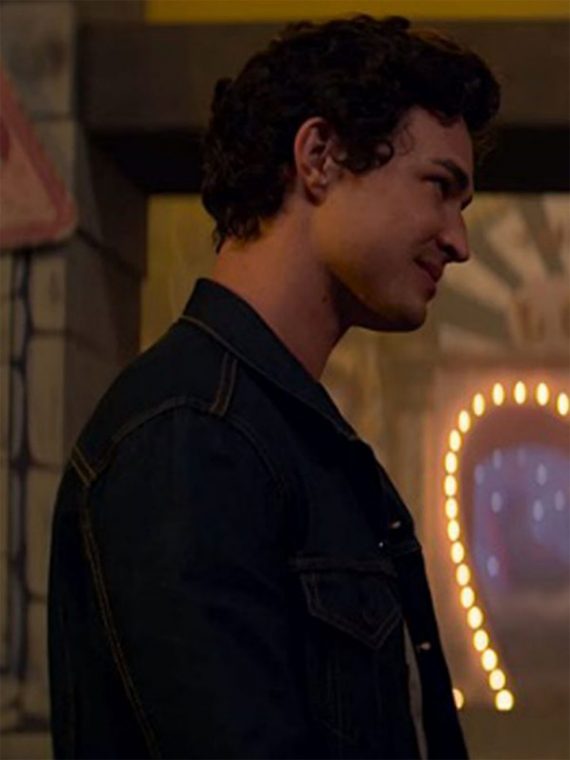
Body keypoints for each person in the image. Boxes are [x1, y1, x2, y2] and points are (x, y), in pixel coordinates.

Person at [48, 14, 500, 759]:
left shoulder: (281, 437)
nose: (459, 240)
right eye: (439, 187)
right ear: (319, 158)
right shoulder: (192, 436)